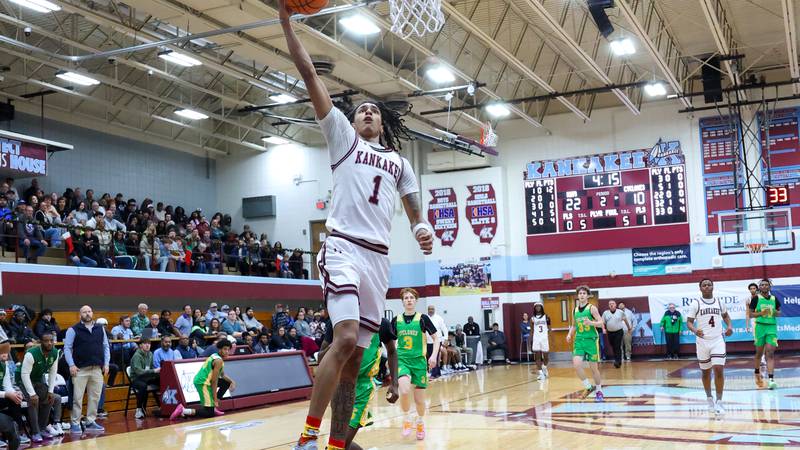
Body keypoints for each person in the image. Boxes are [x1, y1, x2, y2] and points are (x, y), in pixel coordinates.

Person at [281, 0, 433, 447]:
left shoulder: (398, 163)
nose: (367, 112)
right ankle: (308, 438)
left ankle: (337, 443)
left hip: (378, 261)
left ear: (383, 126)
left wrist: (422, 228)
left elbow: (413, 209)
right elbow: (310, 74)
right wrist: (286, 22)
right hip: (344, 247)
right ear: (351, 121)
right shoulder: (342, 141)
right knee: (344, 338)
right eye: (361, 109)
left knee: (354, 359)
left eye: (374, 111)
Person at [318, 316, 398, 450]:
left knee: (338, 444)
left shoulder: (381, 322)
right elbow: (321, 357)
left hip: (363, 388)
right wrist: (336, 345)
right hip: (339, 387)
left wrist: (395, 384)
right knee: (340, 443)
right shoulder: (337, 321)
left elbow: (391, 352)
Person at [393, 289, 438, 441]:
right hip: (403, 360)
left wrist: (433, 356)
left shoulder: (422, 318)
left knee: (419, 400)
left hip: (419, 362)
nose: (409, 300)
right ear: (403, 301)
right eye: (406, 298)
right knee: (404, 390)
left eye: (412, 297)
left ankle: (420, 421)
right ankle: (406, 419)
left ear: (416, 300)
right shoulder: (396, 320)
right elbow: (391, 343)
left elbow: (436, 339)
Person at [687, 278, 733, 416]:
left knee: (718, 369)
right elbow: (689, 322)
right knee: (705, 372)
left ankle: (719, 401)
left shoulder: (719, 302)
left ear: (713, 287)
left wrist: (729, 326)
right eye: (704, 285)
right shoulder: (696, 303)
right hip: (702, 342)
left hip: (717, 340)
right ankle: (709, 398)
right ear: (700, 288)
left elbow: (726, 316)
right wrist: (695, 330)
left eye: (709, 284)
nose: (707, 286)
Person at [63, 305, 109, 433]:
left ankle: (90, 421)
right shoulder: (73, 329)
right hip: (80, 369)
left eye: (89, 311)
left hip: (97, 369)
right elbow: (67, 348)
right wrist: (71, 364)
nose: (87, 314)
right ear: (80, 314)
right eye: (84, 312)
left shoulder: (100, 329)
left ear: (92, 313)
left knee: (95, 397)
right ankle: (75, 422)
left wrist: (106, 364)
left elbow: (105, 346)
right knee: (77, 398)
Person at [170, 339, 236, 420]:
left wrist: (232, 382)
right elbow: (214, 381)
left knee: (226, 383)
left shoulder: (216, 356)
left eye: (228, 349)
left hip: (207, 381)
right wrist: (215, 399)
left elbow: (222, 375)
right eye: (225, 349)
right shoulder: (218, 361)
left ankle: (212, 407)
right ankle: (183, 410)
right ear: (219, 349)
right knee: (209, 413)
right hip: (203, 382)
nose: (227, 351)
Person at [17, 333, 60, 442]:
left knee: (49, 399)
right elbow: (25, 374)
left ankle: (42, 428)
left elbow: (53, 372)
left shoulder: (55, 353)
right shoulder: (31, 354)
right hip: (22, 379)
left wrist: (50, 391)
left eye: (51, 340)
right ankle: (35, 432)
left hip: (37, 379)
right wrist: (32, 394)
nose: (49, 343)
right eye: (46, 341)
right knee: (33, 402)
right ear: (41, 342)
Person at [566, 285, 604, 402]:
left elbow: (601, 322)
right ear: (577, 296)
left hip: (591, 340)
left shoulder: (592, 308)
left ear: (587, 295)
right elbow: (574, 325)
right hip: (579, 340)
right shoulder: (575, 310)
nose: (582, 295)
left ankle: (599, 390)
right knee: (577, 365)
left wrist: (591, 323)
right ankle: (588, 387)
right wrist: (569, 334)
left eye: (584, 293)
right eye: (580, 293)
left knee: (594, 369)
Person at [752, 278, 781, 390]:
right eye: (762, 285)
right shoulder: (756, 299)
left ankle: (771, 380)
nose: (764, 286)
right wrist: (760, 313)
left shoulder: (774, 299)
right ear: (760, 287)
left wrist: (775, 312)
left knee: (770, 353)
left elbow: (779, 313)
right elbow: (751, 314)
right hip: (760, 327)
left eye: (766, 285)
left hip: (771, 328)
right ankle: (757, 372)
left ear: (769, 287)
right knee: (759, 353)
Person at [0, 340, 22, 450]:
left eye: (6, 352)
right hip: (1, 395)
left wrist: (14, 393)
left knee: (16, 400)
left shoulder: (5, 365)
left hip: (1, 395)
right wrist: (7, 394)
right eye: (1, 352)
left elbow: (7, 385)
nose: (4, 354)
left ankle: (16, 433)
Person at [601, 300, 629, 368]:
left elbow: (625, 320)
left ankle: (618, 361)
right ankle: (617, 359)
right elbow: (602, 322)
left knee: (617, 345)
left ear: (615, 305)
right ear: (608, 305)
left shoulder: (620, 312)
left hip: (619, 331)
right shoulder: (605, 313)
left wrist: (629, 327)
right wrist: (603, 329)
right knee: (613, 346)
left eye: (613, 303)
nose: (611, 305)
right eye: (610, 304)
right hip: (610, 332)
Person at [530, 303, 551, 379]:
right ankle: (541, 373)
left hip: (544, 338)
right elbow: (531, 331)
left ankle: (544, 367)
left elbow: (550, 329)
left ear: (542, 307)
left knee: (546, 357)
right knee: (537, 357)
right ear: (534, 308)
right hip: (536, 339)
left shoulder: (546, 317)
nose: (538, 308)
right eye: (536, 307)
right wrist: (530, 341)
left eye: (539, 306)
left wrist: (550, 338)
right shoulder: (532, 319)